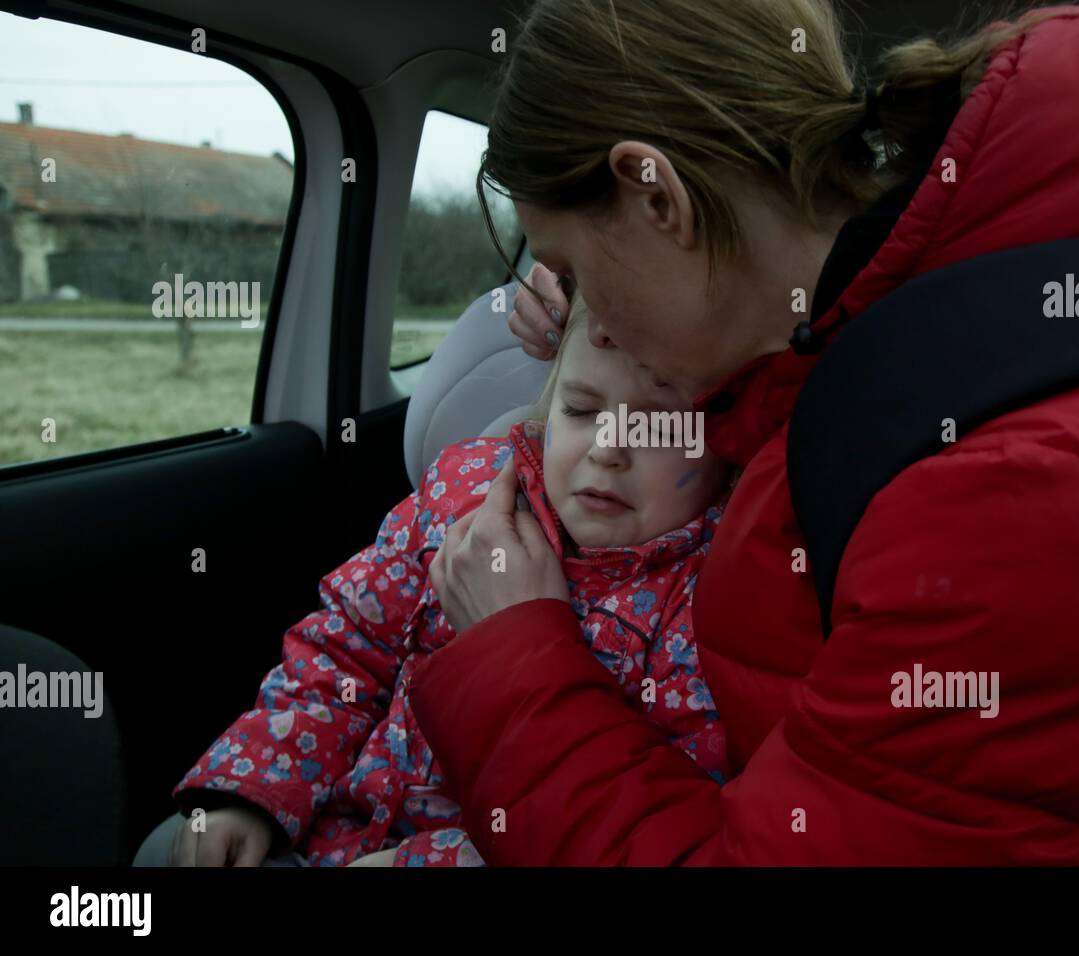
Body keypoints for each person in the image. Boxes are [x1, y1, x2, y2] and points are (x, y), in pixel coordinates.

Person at [407, 1, 1079, 864]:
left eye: (571, 268)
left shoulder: (1022, 496)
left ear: (657, 197)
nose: (583, 319)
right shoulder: (912, 327)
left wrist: (512, 650)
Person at [135, 296, 733, 867]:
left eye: (657, 428)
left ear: (726, 454)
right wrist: (254, 792)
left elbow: (655, 808)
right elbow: (344, 650)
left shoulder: (708, 602)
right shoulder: (460, 496)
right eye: (579, 410)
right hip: (334, 830)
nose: (607, 448)